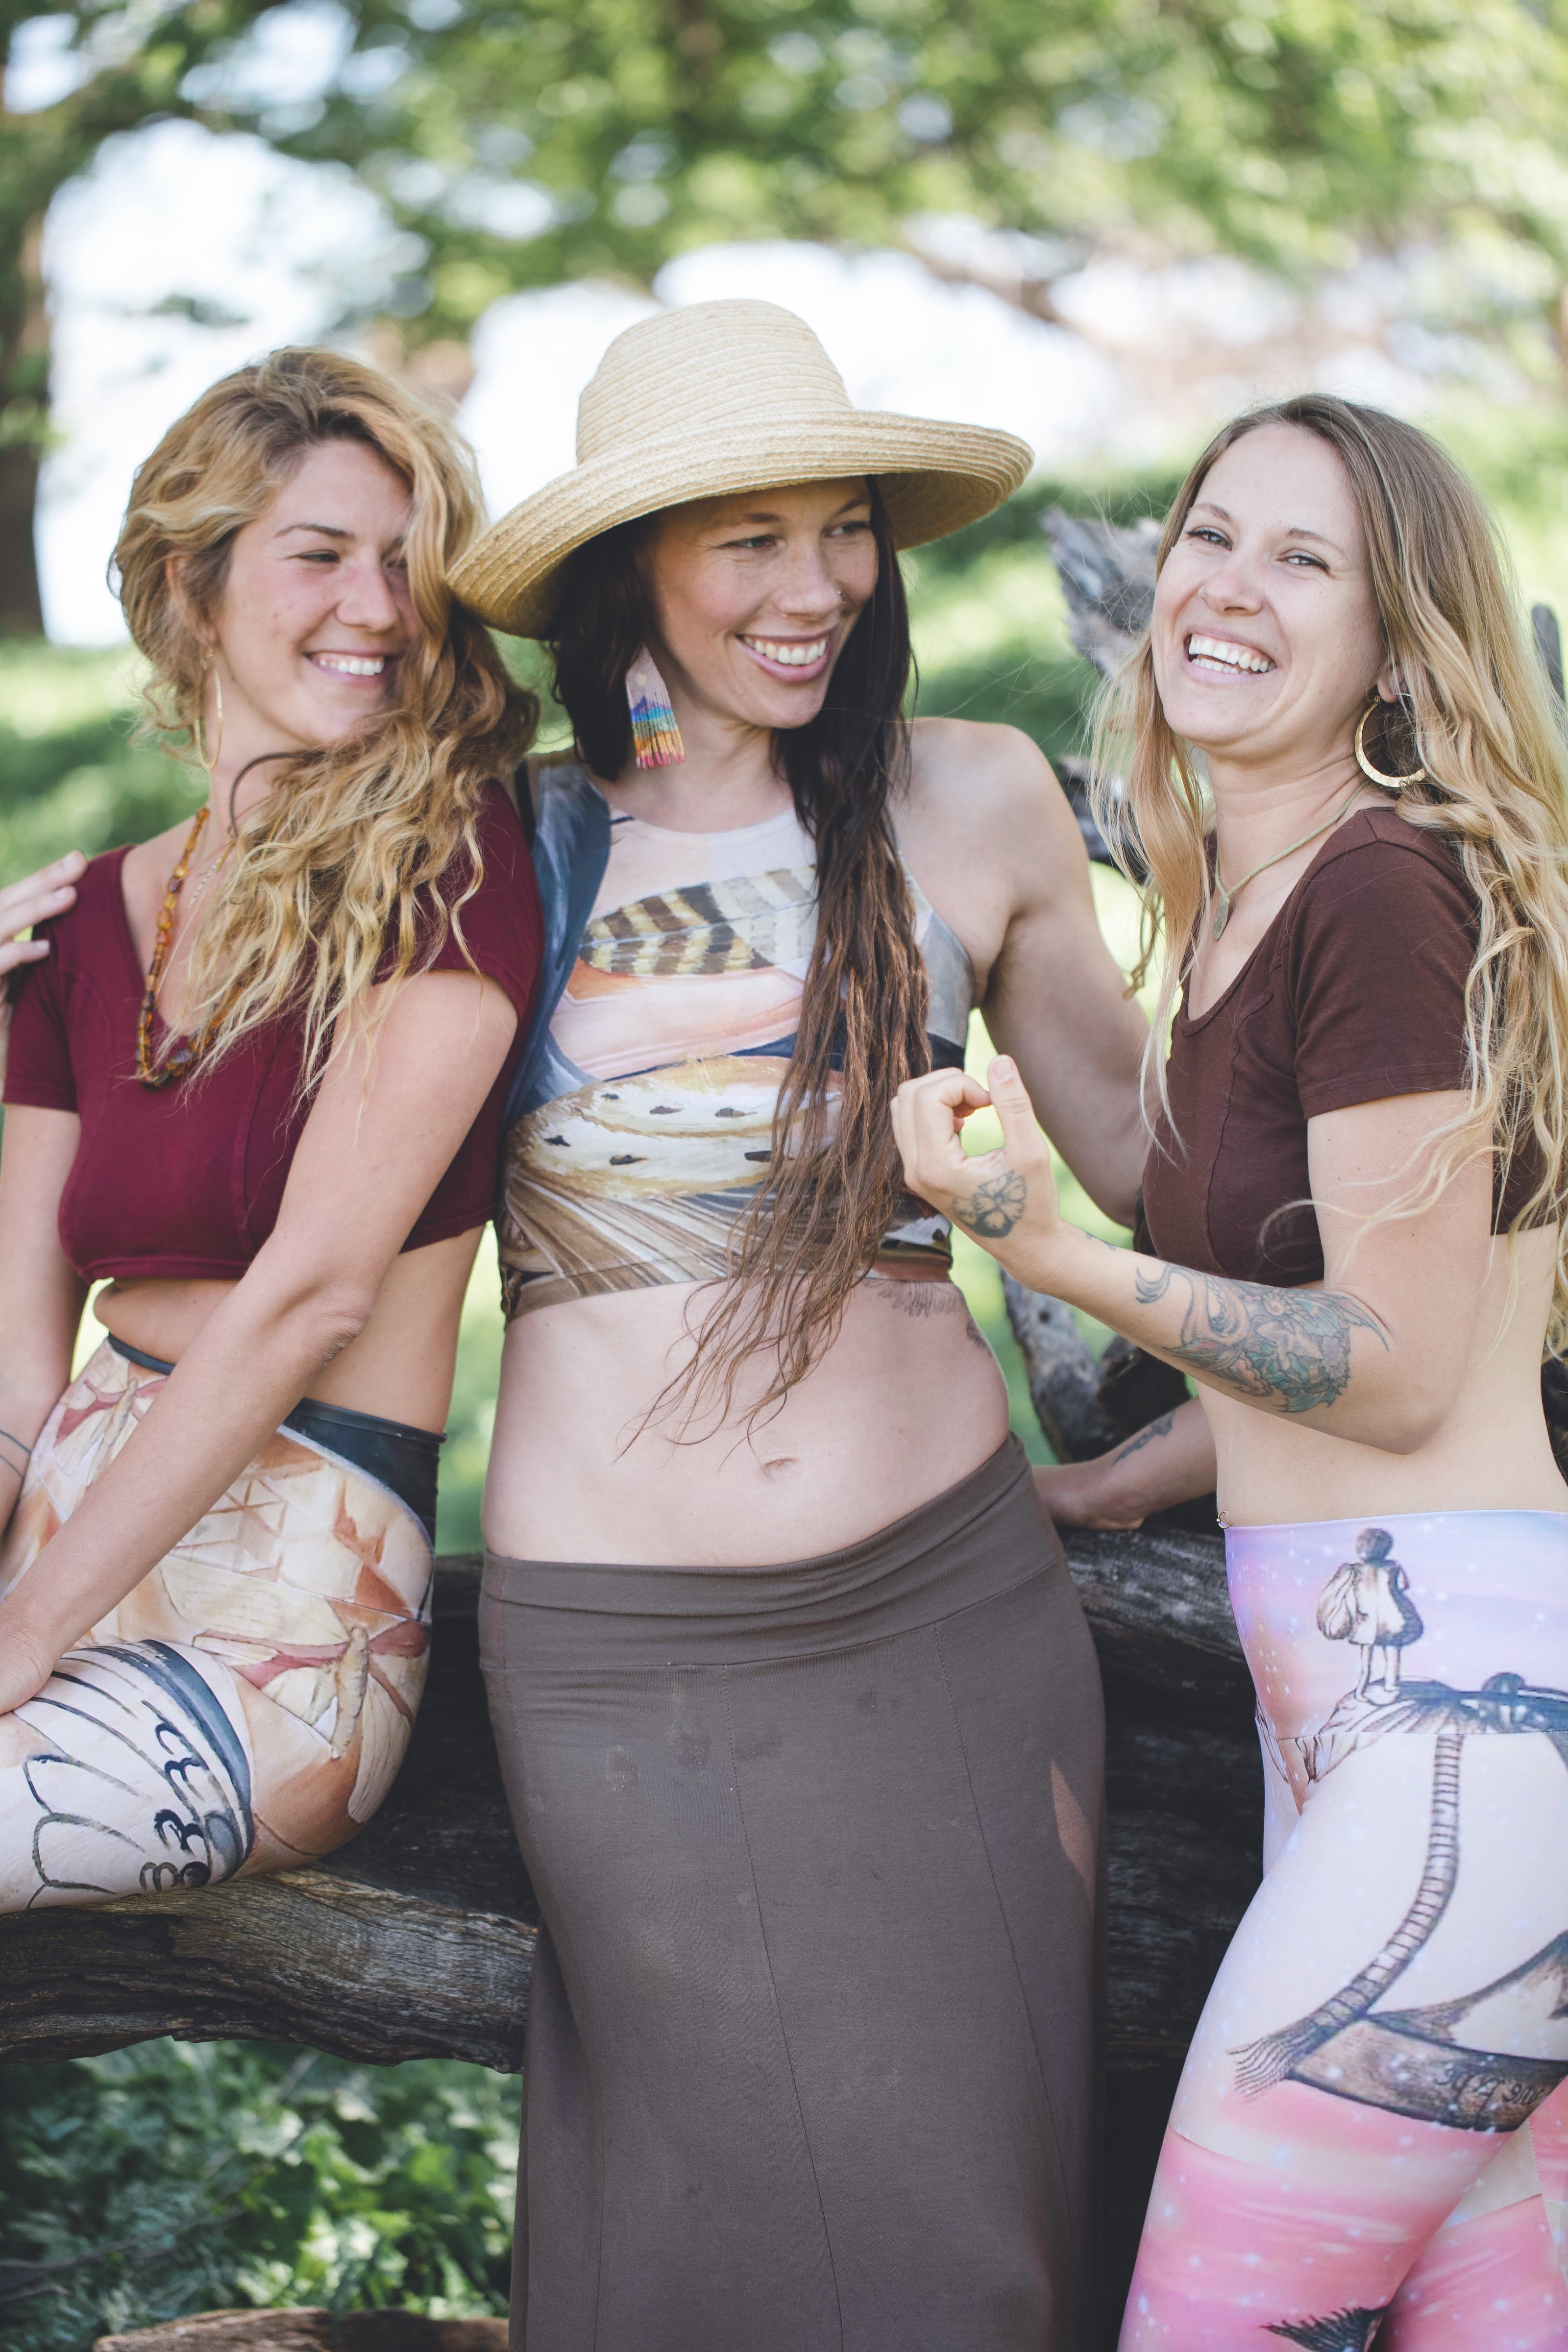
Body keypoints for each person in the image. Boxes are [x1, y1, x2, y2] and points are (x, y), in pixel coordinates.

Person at [445, 298, 1149, 2350]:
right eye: (744, 537)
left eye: (839, 528)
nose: (815, 584)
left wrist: (1359, 899)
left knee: (976, 2236)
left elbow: (1159, 1168)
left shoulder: (971, 798)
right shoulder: (507, 839)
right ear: (626, 573)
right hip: (624, 1670)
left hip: (948, 1625)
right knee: (696, 2233)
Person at [893, 394, 1568, 2348]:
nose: (1224, 590)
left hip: (1464, 1734)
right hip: (1386, 1709)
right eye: (1207, 535)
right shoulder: (1246, 907)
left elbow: (1385, 1358)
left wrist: (1040, 1251)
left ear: (1396, 635)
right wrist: (1112, 1485)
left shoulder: (1380, 890)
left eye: (1304, 561)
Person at [0, 349, 541, 1911]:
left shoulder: (449, 861)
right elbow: (22, 1383)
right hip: (66, 1533)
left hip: (288, 1624)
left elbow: (316, 1293)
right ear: (194, 584)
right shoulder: (88, 917)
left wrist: (29, 1629)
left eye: (406, 564)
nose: (377, 608)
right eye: (318, 556)